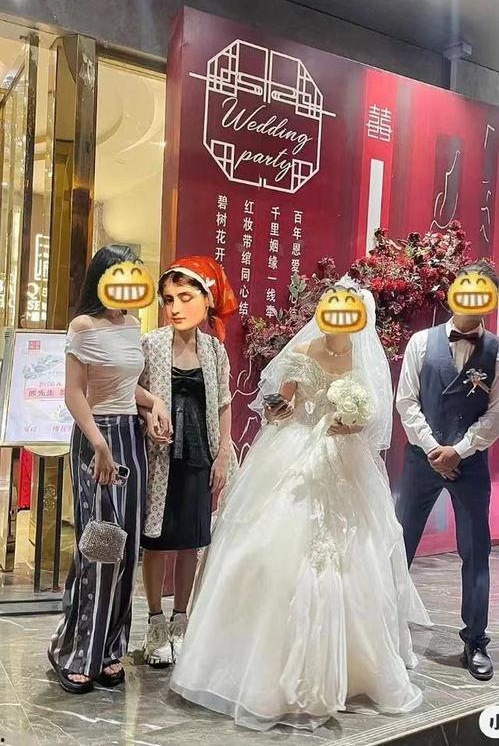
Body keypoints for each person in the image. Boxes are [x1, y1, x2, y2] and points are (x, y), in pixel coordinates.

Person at [170, 276, 430, 730]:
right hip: (295, 454)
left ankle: (353, 667)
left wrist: (352, 424)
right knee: (267, 551)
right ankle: (255, 666)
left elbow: (372, 422)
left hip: (346, 464)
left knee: (357, 559)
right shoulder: (304, 351)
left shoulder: (365, 361)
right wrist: (278, 411)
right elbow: (280, 407)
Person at [48, 245, 169, 694]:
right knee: (101, 546)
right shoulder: (83, 326)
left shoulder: (132, 325)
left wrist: (153, 402)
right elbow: (74, 393)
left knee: (127, 547)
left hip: (130, 440)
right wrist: (98, 443)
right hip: (95, 439)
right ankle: (76, 651)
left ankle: (110, 649)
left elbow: (126, 385)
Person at [396, 260, 499, 681]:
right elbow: (406, 401)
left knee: (475, 552)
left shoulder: (496, 350)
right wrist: (434, 448)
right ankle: (385, 632)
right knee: (399, 545)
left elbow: (496, 413)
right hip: (421, 460)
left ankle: (475, 640)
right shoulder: (421, 342)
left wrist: (460, 450)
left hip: (470, 465)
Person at [140, 256, 238, 667]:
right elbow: (133, 391)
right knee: (155, 541)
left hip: (199, 455)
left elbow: (224, 403)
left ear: (206, 299)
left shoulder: (214, 350)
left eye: (185, 297)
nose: (175, 307)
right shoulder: (150, 344)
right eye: (168, 299)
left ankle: (181, 619)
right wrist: (149, 414)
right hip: (159, 457)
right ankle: (155, 622)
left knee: (190, 542)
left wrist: (223, 453)